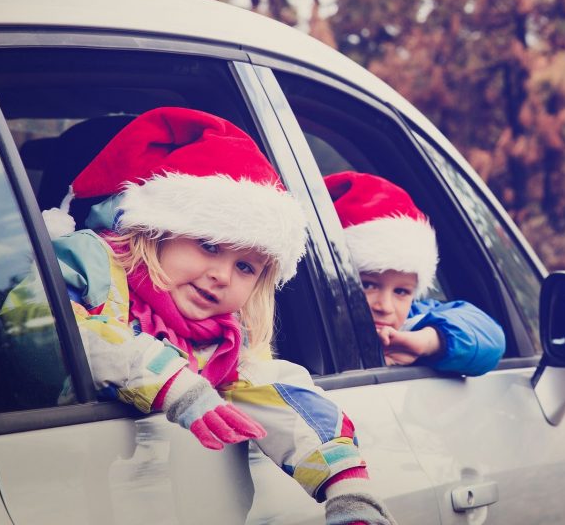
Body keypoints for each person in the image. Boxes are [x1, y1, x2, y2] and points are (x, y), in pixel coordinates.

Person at [35, 107, 394, 525]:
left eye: (246, 267)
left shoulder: (219, 343)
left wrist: (347, 484)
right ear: (157, 231)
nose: (222, 275)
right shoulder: (90, 263)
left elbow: (277, 393)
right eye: (208, 245)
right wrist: (174, 383)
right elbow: (45, 328)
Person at [324, 171, 505, 377]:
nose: (385, 306)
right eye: (368, 285)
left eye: (401, 291)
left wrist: (428, 341)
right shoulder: (313, 329)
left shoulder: (413, 322)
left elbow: (492, 338)